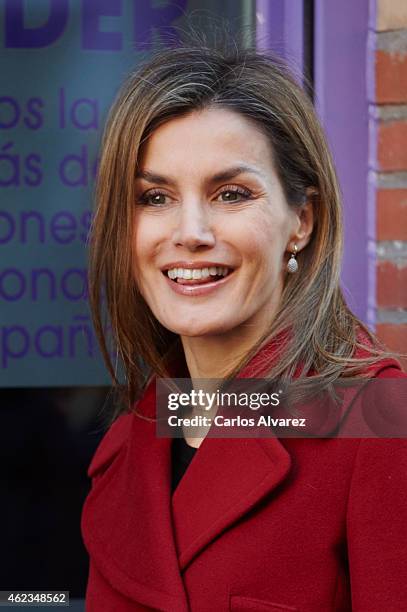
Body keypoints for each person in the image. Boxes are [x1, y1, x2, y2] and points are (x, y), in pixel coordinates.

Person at [81, 41, 407, 611]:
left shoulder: (378, 426)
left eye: (231, 194)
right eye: (154, 197)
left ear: (302, 220)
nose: (190, 232)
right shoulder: (134, 435)